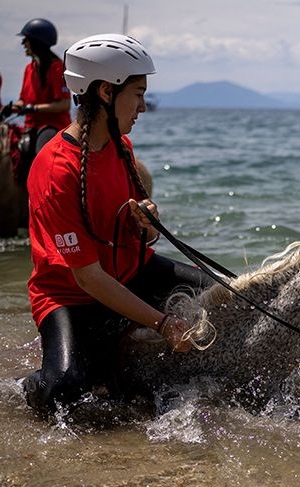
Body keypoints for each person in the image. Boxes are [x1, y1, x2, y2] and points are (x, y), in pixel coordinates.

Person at [23, 33, 211, 414]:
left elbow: (146, 235)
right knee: (63, 390)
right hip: (69, 296)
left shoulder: (120, 147)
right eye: (138, 94)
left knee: (227, 293)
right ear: (107, 92)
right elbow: (88, 278)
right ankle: (29, 385)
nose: (143, 106)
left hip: (132, 269)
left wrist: (149, 223)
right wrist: (162, 324)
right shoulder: (56, 170)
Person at [12, 19, 71, 135]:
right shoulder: (29, 68)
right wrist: (11, 108)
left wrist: (35, 108)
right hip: (31, 126)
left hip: (53, 128)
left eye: (26, 40)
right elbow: (23, 100)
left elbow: (65, 104)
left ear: (37, 42)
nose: (23, 44)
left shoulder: (56, 68)